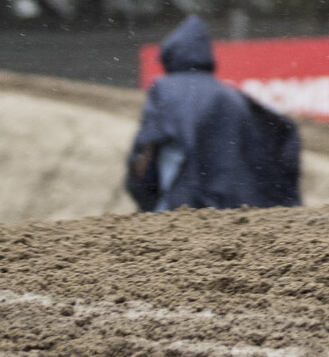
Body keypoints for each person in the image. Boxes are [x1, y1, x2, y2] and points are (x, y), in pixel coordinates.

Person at [126, 16, 302, 212]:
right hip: (228, 207)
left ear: (171, 55)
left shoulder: (164, 89)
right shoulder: (232, 96)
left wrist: (140, 191)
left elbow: (147, 147)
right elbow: (279, 133)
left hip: (180, 205)